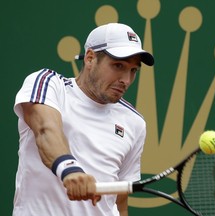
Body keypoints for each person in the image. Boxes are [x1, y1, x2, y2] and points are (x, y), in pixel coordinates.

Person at [13, 23, 154, 216]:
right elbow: (46, 130)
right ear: (90, 58)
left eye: (133, 71)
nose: (126, 80)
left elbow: (119, 202)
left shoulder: (134, 122)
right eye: (118, 66)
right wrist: (69, 170)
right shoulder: (49, 84)